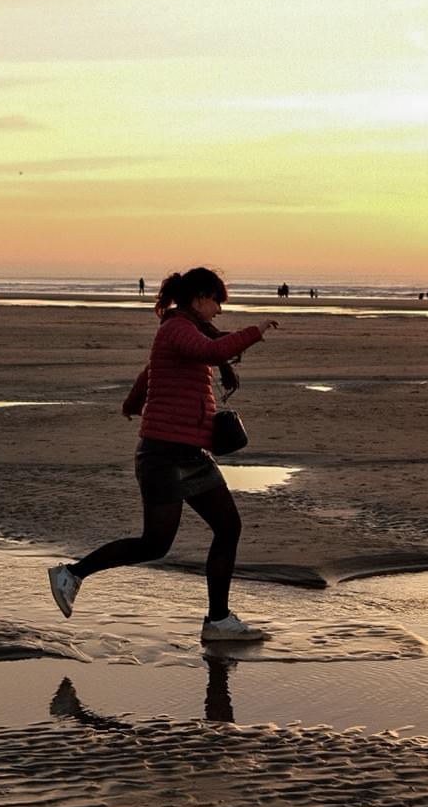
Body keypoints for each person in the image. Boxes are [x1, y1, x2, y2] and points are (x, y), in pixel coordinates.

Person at [47, 267, 279, 643]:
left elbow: (151, 373)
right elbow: (212, 350)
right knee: (154, 544)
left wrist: (132, 402)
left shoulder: (185, 330)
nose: (219, 310)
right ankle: (71, 574)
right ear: (200, 297)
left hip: (191, 455)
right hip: (163, 458)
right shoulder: (176, 328)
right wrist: (256, 331)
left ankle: (218, 621)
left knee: (228, 526)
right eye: (216, 301)